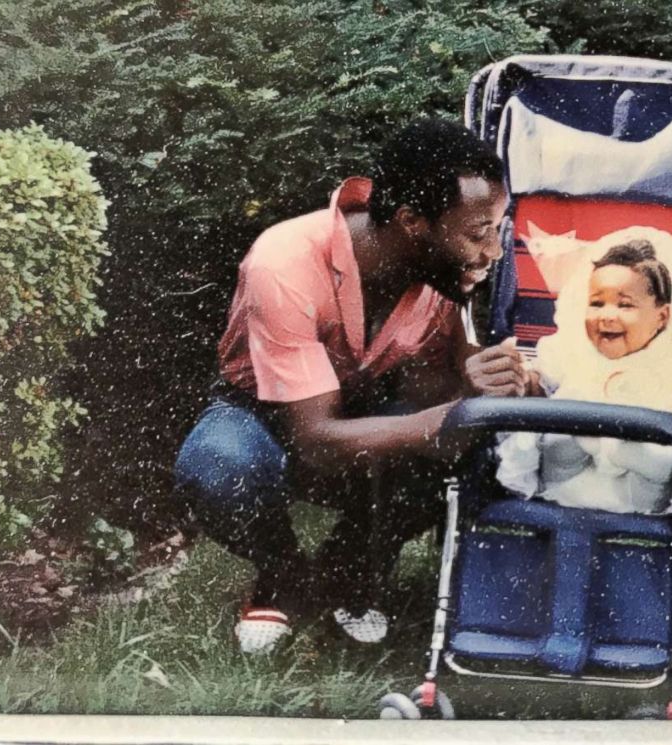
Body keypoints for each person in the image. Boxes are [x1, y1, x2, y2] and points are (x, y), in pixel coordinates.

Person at [174, 119, 525, 653]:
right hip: (263, 411)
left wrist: (481, 381)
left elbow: (441, 381)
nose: (494, 252)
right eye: (478, 233)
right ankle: (283, 572)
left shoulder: (439, 270)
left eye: (497, 230)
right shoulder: (285, 260)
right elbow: (315, 436)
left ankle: (352, 565)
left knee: (481, 445)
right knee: (219, 464)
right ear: (411, 221)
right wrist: (446, 420)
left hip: (375, 403)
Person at [496, 227, 672, 513]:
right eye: (596, 303)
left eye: (625, 305)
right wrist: (525, 381)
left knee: (659, 457)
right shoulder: (572, 348)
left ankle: (628, 447)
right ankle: (584, 433)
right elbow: (541, 384)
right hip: (565, 486)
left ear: (662, 316)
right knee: (559, 436)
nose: (607, 315)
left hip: (637, 497)